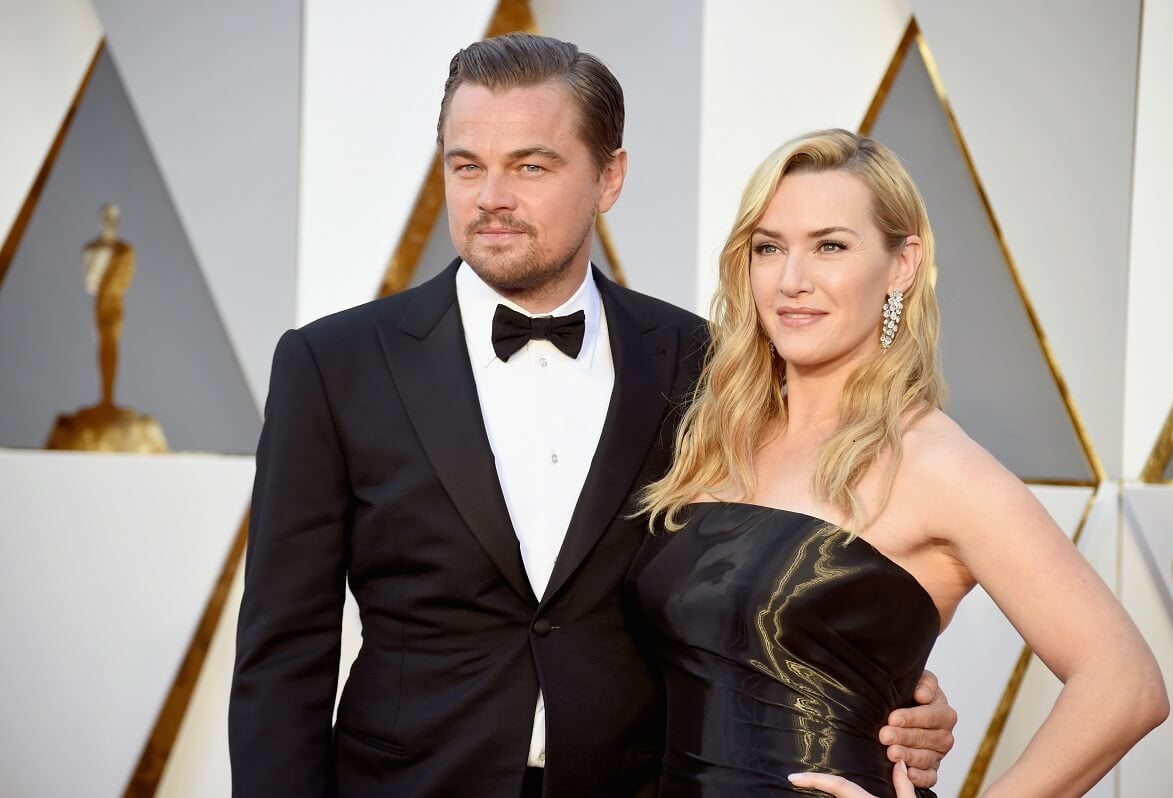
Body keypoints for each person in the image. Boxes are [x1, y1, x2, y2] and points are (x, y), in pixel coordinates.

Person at [228, 36, 957, 797]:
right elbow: (283, 652)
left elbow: (780, 574)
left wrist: (882, 690)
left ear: (609, 177)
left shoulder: (710, 365)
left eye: (530, 166)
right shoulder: (333, 364)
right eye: (465, 165)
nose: (490, 198)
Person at [631, 129, 1169, 797]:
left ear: (902, 264)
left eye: (830, 246)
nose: (792, 280)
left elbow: (1127, 682)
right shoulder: (714, 438)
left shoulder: (934, 463)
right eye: (769, 247)